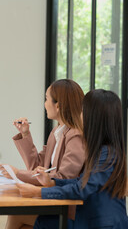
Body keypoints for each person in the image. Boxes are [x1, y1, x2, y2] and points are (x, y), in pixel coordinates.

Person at [17, 89, 128, 228]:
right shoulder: (103, 150)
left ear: (93, 117)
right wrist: (51, 182)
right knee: (41, 220)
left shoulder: (106, 153)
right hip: (92, 219)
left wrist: (38, 191)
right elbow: (81, 181)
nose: (80, 114)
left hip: (102, 224)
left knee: (43, 221)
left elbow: (81, 189)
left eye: (82, 110)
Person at [0, 79, 85, 229]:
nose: (44, 104)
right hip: (52, 204)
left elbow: (63, 178)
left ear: (58, 105)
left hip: (69, 211)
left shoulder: (75, 136)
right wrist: (25, 135)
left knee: (17, 214)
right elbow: (36, 166)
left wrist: (18, 173)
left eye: (46, 99)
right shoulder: (57, 132)